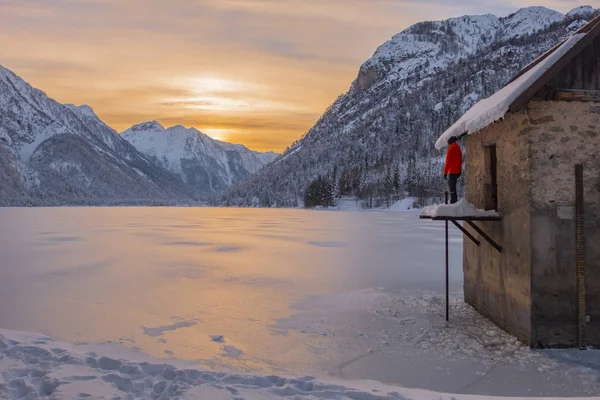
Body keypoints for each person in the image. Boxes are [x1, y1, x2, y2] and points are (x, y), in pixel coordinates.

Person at [443, 136, 462, 204]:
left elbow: (448, 162)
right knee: (453, 185)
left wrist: (445, 172)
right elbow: (460, 160)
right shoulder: (458, 148)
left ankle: (453, 201)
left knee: (452, 187)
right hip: (458, 170)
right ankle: (454, 200)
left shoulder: (451, 148)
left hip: (452, 171)